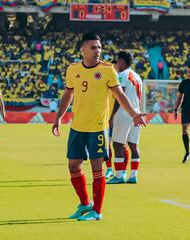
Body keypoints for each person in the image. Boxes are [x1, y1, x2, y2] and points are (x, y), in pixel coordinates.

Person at [52, 33, 146, 221]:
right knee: (73, 166)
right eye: (93, 47)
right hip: (77, 126)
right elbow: (68, 94)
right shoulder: (73, 69)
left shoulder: (108, 70)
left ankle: (98, 211)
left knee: (97, 169)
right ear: (83, 49)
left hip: (98, 127)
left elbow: (120, 95)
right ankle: (85, 203)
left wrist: (134, 113)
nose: (98, 51)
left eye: (99, 47)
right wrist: (59, 117)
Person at [106, 51, 143, 184]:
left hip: (124, 113)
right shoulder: (138, 77)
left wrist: (111, 116)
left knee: (117, 144)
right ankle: (133, 176)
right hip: (136, 112)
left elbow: (118, 97)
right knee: (133, 145)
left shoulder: (122, 75)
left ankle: (119, 175)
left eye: (117, 62)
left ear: (122, 61)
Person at [105, 60, 129, 179]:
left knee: (122, 145)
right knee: (107, 144)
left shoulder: (120, 81)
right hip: (107, 117)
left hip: (118, 117)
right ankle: (109, 169)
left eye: (115, 67)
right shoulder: (107, 81)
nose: (113, 69)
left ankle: (123, 171)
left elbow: (121, 100)